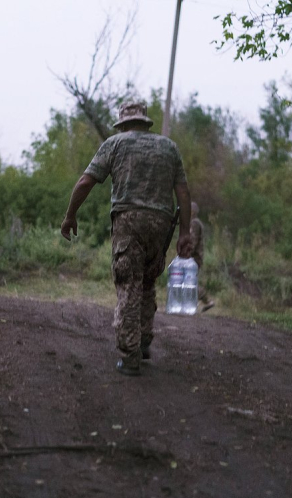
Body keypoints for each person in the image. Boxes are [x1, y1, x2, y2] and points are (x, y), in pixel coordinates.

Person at [61, 102, 192, 376]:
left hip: (128, 221)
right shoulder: (169, 147)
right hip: (161, 223)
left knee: (128, 284)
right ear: (145, 123)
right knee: (146, 282)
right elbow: (183, 193)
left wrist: (71, 215)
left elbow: (86, 182)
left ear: (122, 124)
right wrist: (185, 233)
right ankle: (143, 342)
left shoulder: (115, 143)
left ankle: (130, 355)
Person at [189, 201, 215, 312]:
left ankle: (207, 300)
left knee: (190, 282)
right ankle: (194, 304)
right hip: (196, 257)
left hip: (194, 257)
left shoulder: (194, 223)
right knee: (189, 280)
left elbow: (193, 241)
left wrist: (186, 255)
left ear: (192, 211)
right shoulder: (196, 222)